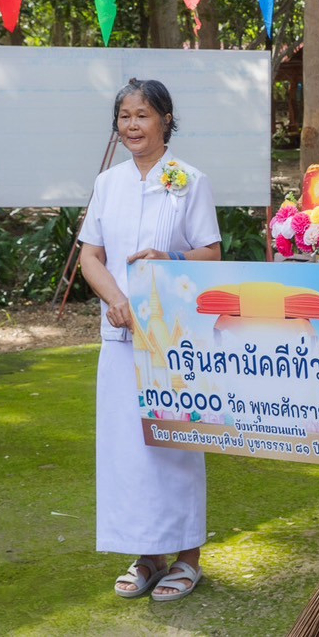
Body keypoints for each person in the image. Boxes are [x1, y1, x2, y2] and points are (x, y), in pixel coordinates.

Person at [79, 79, 222, 602]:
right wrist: (116, 299)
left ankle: (187, 557)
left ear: (165, 119)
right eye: (124, 116)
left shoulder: (190, 181)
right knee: (127, 448)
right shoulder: (108, 184)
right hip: (118, 335)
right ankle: (147, 555)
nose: (132, 125)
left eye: (143, 115)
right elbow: (90, 256)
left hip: (171, 337)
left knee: (174, 444)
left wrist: (172, 260)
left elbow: (211, 253)